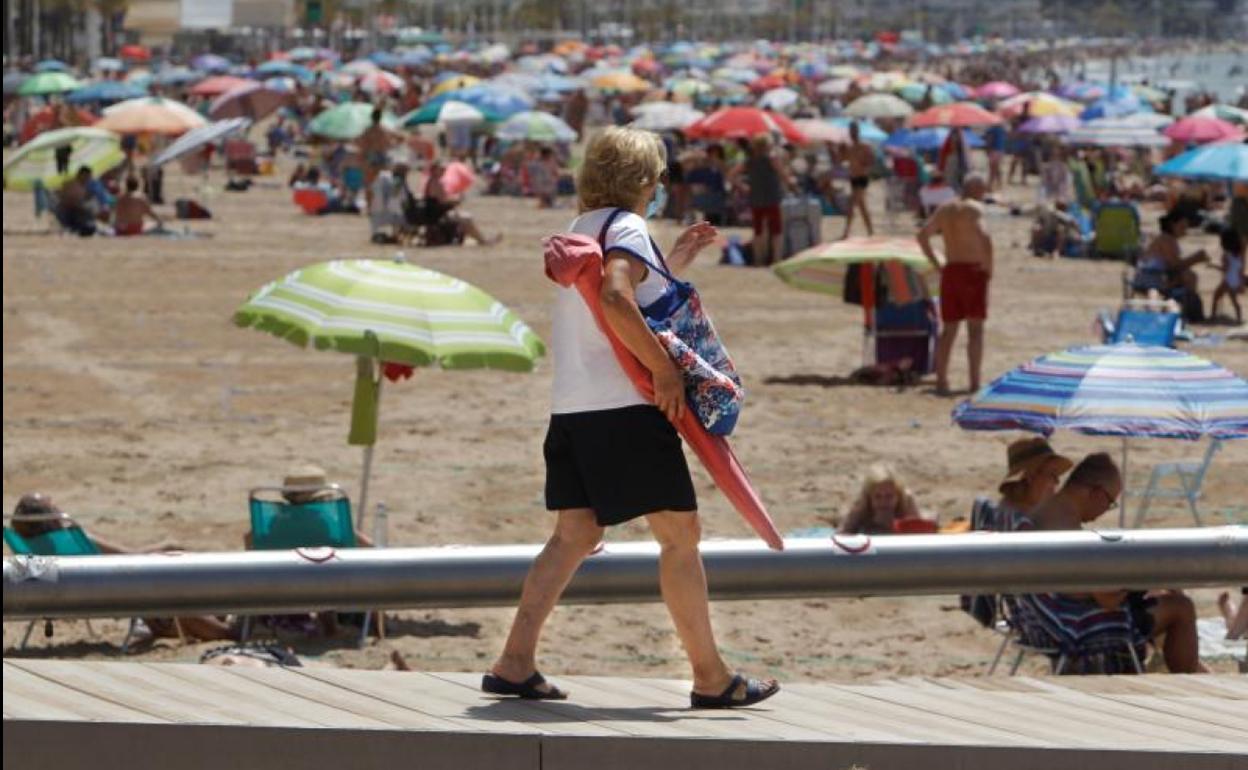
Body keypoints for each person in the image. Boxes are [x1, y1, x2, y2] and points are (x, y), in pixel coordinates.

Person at [487, 126, 779, 708]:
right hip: (624, 407)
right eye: (659, 176)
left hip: (573, 406)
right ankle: (711, 677)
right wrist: (664, 371)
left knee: (574, 534)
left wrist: (675, 261)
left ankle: (515, 662)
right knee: (680, 535)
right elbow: (617, 298)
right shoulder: (626, 227)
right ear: (643, 179)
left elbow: (625, 295)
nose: (661, 186)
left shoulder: (582, 227)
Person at [1026, 453, 1208, 674]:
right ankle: (1189, 679)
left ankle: (1182, 667)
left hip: (1043, 618)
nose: (1106, 509)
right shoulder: (1065, 529)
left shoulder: (1046, 513)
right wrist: (1138, 578)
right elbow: (1107, 598)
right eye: (1110, 502)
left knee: (1156, 596)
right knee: (1181, 607)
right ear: (1095, 492)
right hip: (1076, 625)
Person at [10, 493, 234, 643]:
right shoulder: (72, 539)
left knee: (163, 575)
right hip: (112, 591)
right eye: (54, 506)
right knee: (170, 574)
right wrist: (166, 547)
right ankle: (224, 629)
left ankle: (196, 619)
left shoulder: (29, 550)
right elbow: (128, 558)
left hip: (63, 599)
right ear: (52, 518)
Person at [918, 175, 993, 396]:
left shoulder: (945, 209)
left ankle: (941, 380)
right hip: (972, 271)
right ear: (975, 189)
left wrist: (936, 263)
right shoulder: (974, 209)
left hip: (951, 270)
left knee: (949, 330)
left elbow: (922, 235)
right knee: (975, 330)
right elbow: (985, 237)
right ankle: (974, 382)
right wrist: (989, 268)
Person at [424, 158, 502, 246]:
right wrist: (456, 200)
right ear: (435, 170)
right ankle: (483, 241)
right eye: (441, 169)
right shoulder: (436, 183)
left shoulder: (432, 181)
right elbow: (442, 201)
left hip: (436, 213)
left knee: (464, 216)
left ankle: (481, 239)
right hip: (438, 215)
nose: (444, 170)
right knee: (466, 219)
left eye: (444, 168)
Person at [742, 133, 789, 265]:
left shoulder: (749, 161)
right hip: (772, 197)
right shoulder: (772, 159)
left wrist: (743, 187)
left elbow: (731, 174)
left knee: (758, 231)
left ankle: (759, 259)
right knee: (776, 230)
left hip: (756, 198)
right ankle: (776, 259)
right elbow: (783, 175)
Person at [838, 463, 922, 535]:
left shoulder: (906, 502)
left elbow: (920, 537)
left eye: (889, 496)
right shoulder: (861, 505)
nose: (883, 502)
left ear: (898, 496)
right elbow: (841, 536)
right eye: (877, 497)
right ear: (869, 497)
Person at [840, 122, 875, 239]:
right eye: (851, 131)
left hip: (862, 178)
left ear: (857, 132)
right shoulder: (849, 147)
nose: (852, 133)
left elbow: (871, 161)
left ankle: (846, 231)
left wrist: (863, 164)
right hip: (853, 178)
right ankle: (870, 231)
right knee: (862, 206)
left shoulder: (864, 146)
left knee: (852, 204)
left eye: (854, 131)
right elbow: (842, 160)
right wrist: (838, 149)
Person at [358, 107, 398, 205]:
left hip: (372, 155)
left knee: (369, 182)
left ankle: (369, 205)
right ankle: (383, 204)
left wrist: (362, 157)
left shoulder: (368, 130)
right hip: (383, 155)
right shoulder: (384, 130)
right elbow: (391, 142)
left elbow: (363, 145)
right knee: (384, 182)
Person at [1210, 228, 1245, 325]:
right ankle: (1239, 318)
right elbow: (1240, 270)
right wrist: (1241, 283)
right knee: (1234, 300)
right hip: (1235, 281)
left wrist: (1212, 266)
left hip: (1228, 281)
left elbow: (1225, 269)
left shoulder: (1226, 255)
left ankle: (1213, 316)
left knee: (1216, 296)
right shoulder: (1240, 255)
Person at [57, 166, 99, 236]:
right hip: (67, 213)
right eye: (87, 176)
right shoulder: (73, 185)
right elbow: (69, 201)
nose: (88, 179)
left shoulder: (82, 186)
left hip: (74, 212)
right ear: (82, 175)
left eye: (89, 177)